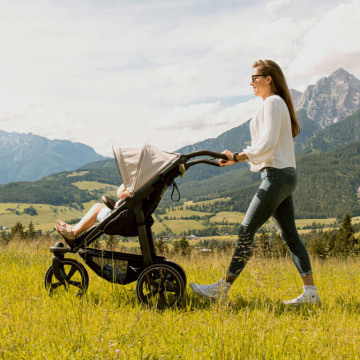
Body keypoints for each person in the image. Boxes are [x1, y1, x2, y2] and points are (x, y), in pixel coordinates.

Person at [190, 59, 320, 306]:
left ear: (268, 78)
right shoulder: (275, 104)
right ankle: (311, 293)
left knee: (246, 230)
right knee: (290, 235)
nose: (251, 82)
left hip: (277, 176)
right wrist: (233, 159)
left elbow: (267, 144)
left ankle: (222, 289)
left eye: (255, 77)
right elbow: (268, 146)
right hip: (285, 175)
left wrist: (237, 157)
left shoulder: (272, 103)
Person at [55, 184, 131, 241]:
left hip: (125, 219)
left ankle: (73, 232)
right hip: (129, 217)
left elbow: (120, 193)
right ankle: (73, 228)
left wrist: (127, 181)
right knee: (97, 206)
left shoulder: (139, 182)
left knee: (97, 208)